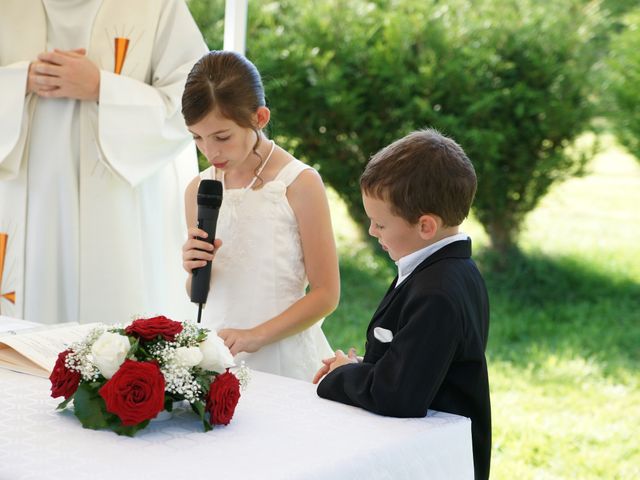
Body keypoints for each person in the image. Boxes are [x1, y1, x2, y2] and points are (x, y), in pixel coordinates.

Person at [0, 0, 208, 324]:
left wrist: (102, 87)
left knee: (112, 339)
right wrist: (20, 80)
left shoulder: (157, 6)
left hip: (116, 200)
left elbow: (193, 100)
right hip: (30, 191)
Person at [313, 129, 491, 480]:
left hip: (433, 460)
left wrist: (341, 375)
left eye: (380, 223)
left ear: (426, 225)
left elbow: (399, 396)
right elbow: (422, 359)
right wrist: (367, 365)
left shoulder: (438, 291)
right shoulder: (441, 267)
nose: (371, 231)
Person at [180, 50, 340, 381]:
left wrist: (256, 335)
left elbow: (327, 294)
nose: (210, 152)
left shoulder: (299, 184)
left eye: (222, 137)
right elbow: (206, 292)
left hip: (281, 357)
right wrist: (193, 268)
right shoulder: (199, 189)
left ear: (259, 118)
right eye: (197, 137)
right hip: (219, 353)